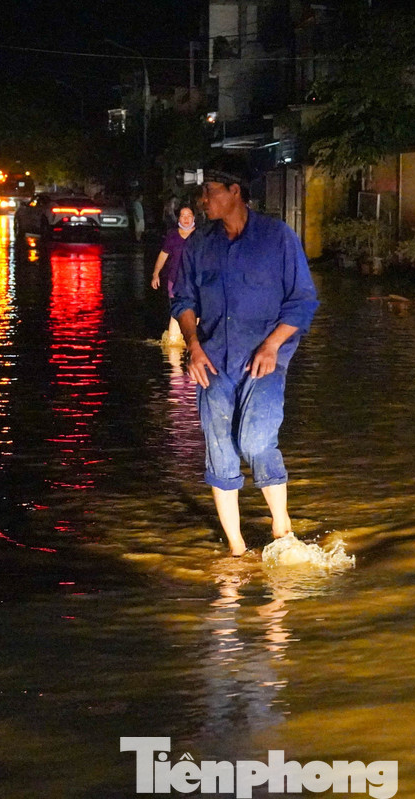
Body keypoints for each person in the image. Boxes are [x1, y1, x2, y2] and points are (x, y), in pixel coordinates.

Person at [171, 163, 319, 557]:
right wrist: (193, 345)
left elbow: (303, 301)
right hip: (212, 361)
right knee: (219, 448)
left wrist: (272, 346)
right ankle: (236, 550)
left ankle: (281, 528)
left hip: (264, 362)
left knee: (256, 441)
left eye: (210, 190)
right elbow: (183, 300)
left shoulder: (277, 237)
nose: (203, 200)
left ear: (235, 190)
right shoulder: (199, 244)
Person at [150, 205, 198, 347]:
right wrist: (155, 274)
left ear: (194, 218)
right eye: (183, 216)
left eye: (189, 215)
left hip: (195, 281)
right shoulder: (172, 236)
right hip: (175, 280)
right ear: (178, 218)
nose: (186, 219)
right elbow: (163, 255)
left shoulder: (200, 235)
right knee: (176, 310)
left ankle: (194, 342)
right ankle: (174, 343)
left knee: (197, 311)